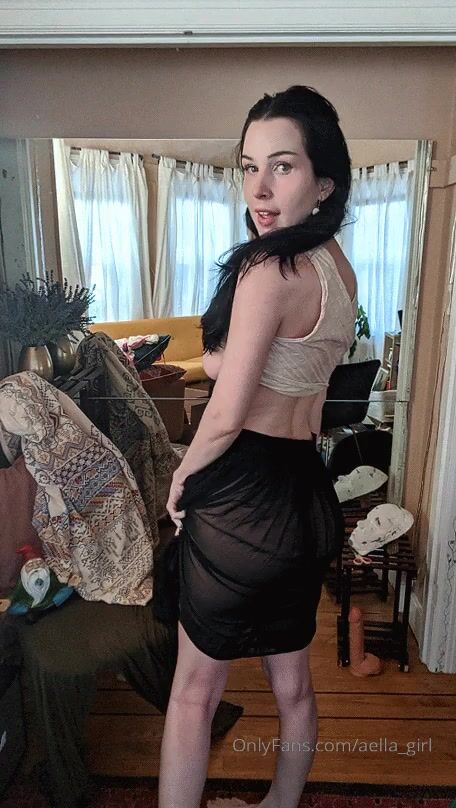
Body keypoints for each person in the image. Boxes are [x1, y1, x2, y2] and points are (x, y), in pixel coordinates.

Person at [159, 85, 358, 808]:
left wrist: (181, 478)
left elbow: (225, 416)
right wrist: (220, 361)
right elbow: (288, 369)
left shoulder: (269, 270)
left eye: (283, 166)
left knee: (193, 695)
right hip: (306, 496)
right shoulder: (338, 269)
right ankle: (280, 803)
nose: (260, 189)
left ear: (324, 181)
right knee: (294, 687)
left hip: (244, 496)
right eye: (249, 167)